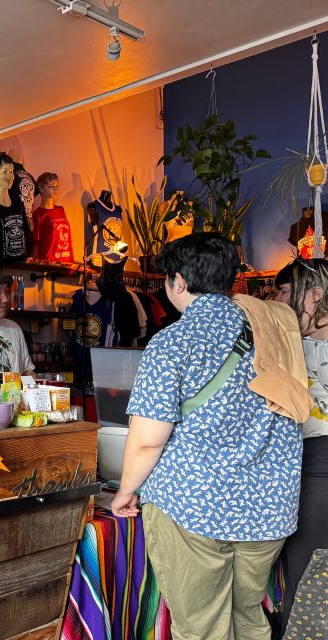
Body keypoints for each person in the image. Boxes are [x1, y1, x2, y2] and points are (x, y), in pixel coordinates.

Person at [111, 233, 305, 640]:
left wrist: (126, 490)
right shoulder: (271, 328)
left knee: (201, 627)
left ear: (178, 282)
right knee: (249, 617)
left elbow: (148, 439)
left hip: (193, 507)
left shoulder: (173, 343)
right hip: (267, 509)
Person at [278, 257, 328, 631]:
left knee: (309, 569)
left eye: (285, 291)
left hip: (319, 469)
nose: (278, 300)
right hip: (301, 466)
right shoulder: (291, 346)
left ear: (314, 295)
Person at [32, 172, 74, 263]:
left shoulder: (61, 210)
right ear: (41, 188)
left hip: (66, 260)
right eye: (51, 187)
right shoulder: (38, 215)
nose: (55, 190)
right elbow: (35, 243)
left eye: (56, 186)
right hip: (49, 263)